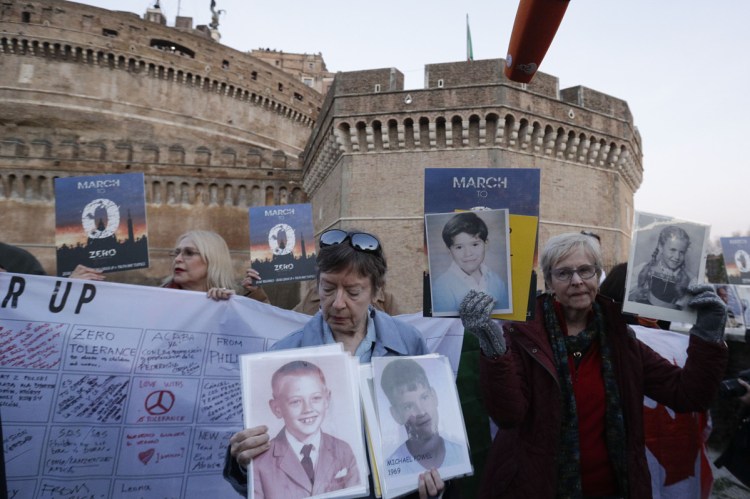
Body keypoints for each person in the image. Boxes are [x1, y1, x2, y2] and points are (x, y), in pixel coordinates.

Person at [459, 232, 728, 498]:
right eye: (563, 273)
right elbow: (508, 415)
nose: (576, 281)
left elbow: (688, 394)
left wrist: (708, 334)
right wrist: (493, 348)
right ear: (549, 282)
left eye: (585, 270)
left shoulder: (622, 341)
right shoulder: (524, 339)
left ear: (597, 276)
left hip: (613, 489)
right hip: (537, 487)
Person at [224, 229, 446, 498]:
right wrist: (243, 463)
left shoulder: (408, 343)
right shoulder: (283, 356)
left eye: (353, 292)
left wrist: (433, 480)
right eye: (328, 289)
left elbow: (434, 429)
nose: (338, 303)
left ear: (376, 290)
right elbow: (258, 469)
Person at [253, 360, 360, 498]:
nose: (308, 409)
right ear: (277, 408)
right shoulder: (261, 462)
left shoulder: (343, 450)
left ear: (327, 400)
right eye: (296, 401)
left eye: (315, 398)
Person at [379, 358, 465, 475]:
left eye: (424, 397)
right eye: (408, 406)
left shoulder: (461, 455)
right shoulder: (389, 472)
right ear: (396, 415)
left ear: (434, 396)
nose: (421, 412)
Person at [432, 211, 508, 314]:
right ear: (449, 250)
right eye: (459, 247)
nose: (468, 253)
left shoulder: (496, 281)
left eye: (475, 245)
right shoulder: (442, 287)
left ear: (486, 244)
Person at [629, 225, 696, 310]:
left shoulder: (691, 281)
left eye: (682, 252)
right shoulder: (642, 269)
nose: (677, 257)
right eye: (673, 250)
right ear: (661, 247)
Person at [163, 230, 238, 301]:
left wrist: (231, 303)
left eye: (189, 253)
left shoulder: (230, 302)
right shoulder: (158, 298)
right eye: (176, 253)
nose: (177, 259)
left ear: (211, 260)